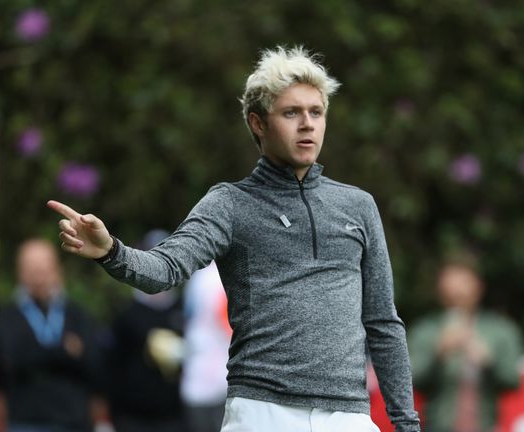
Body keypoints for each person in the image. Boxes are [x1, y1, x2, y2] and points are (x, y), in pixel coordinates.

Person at [48, 46, 421, 432]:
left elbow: (383, 324)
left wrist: (406, 424)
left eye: (316, 112)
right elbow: (168, 267)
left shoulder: (359, 206)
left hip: (349, 415)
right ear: (258, 123)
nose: (307, 124)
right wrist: (112, 251)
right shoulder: (230, 203)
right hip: (262, 412)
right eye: (291, 113)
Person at [0, 239, 109, 432]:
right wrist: (64, 351)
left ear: (57, 271)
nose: (39, 278)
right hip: (25, 422)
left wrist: (37, 354)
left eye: (44, 270)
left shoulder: (78, 315)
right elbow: (10, 361)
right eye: (32, 271)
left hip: (74, 422)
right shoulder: (7, 318)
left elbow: (94, 364)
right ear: (20, 273)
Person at [409, 259, 524, 432]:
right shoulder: (425, 331)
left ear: (478, 288)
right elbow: (408, 383)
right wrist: (437, 354)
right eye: (450, 291)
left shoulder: (500, 330)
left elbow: (513, 380)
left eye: (462, 290)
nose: (456, 296)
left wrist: (487, 360)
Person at [106, 229, 187, 432]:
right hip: (132, 418)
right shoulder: (127, 315)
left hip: (174, 417)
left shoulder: (183, 309)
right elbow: (112, 366)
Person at [181, 260, 231, 432]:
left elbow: (188, 314)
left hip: (199, 361)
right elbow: (226, 320)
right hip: (219, 366)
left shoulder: (199, 274)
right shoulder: (222, 275)